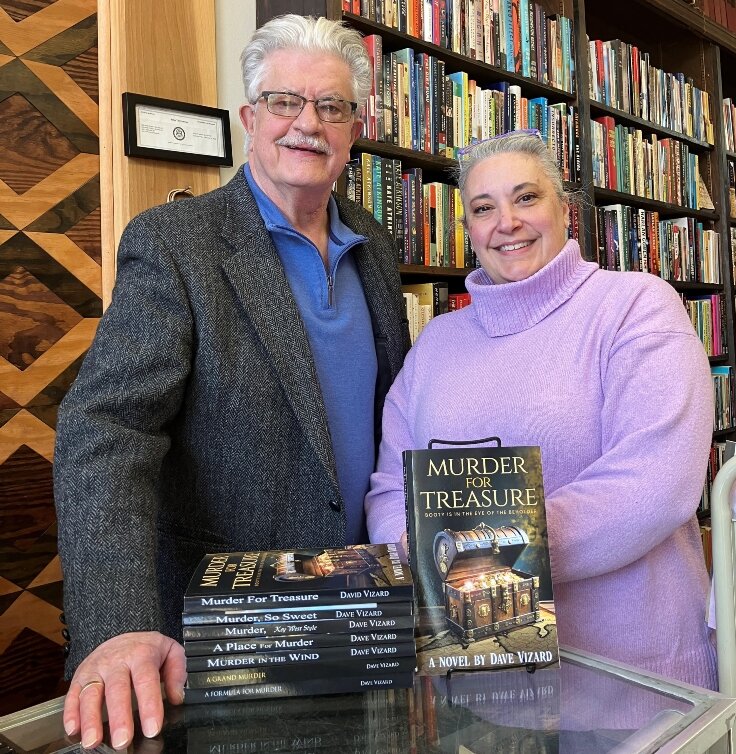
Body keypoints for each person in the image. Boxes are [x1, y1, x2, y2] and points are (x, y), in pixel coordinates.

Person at [53, 14, 409, 751]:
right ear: (251, 118)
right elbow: (107, 432)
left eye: (331, 107)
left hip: (356, 619)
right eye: (285, 102)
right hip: (222, 646)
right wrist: (119, 626)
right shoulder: (175, 244)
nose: (307, 124)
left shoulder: (374, 243)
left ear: (354, 129)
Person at [365, 130, 718, 690]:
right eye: (484, 208)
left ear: (565, 208)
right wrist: (418, 556)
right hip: (478, 691)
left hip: (633, 680)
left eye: (526, 197)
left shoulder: (634, 306)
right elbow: (390, 489)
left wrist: (473, 554)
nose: (507, 221)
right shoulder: (435, 344)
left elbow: (656, 484)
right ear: (469, 231)